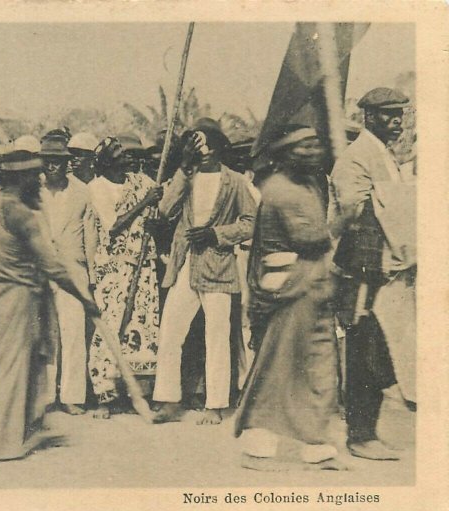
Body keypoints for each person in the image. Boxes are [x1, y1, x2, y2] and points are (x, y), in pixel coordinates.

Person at [0, 149, 98, 462]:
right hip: (17, 298)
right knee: (9, 369)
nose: (40, 181)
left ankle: (24, 430)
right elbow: (52, 265)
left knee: (12, 366)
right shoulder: (21, 215)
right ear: (20, 178)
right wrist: (84, 297)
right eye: (33, 175)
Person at [234, 125, 345, 471]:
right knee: (284, 367)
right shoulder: (279, 189)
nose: (312, 152)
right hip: (291, 288)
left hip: (313, 287)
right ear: (283, 155)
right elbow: (309, 238)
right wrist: (345, 221)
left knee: (319, 366)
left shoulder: (310, 184)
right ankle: (260, 437)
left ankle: (315, 439)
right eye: (303, 148)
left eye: (315, 146)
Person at [152, 120, 256, 426]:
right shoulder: (188, 176)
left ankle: (215, 405)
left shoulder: (235, 181)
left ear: (220, 146)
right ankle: (169, 400)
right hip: (186, 264)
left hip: (219, 265)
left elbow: (250, 222)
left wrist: (217, 234)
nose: (205, 150)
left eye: (210, 143)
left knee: (217, 335)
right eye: (198, 145)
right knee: (171, 331)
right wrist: (183, 169)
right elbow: (165, 210)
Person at [330, 87, 415, 461]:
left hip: (388, 266)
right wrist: (369, 267)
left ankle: (368, 429)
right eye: (387, 114)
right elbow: (353, 217)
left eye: (400, 113)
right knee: (363, 346)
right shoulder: (356, 158)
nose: (397, 120)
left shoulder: (385, 156)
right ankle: (361, 434)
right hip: (364, 265)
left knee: (378, 345)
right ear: (367, 117)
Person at [86, 137, 163, 419]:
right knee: (109, 325)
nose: (129, 158)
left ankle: (138, 392)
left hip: (142, 265)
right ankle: (104, 395)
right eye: (121, 154)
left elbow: (159, 214)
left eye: (131, 154)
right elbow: (113, 226)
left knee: (141, 325)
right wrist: (145, 203)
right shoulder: (97, 188)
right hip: (113, 268)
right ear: (106, 159)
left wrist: (154, 217)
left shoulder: (142, 181)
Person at [39, 134, 98, 415]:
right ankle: (45, 395)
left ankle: (72, 396)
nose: (52, 167)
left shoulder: (82, 192)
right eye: (47, 161)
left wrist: (92, 273)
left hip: (74, 270)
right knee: (45, 334)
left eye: (58, 162)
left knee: (73, 331)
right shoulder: (32, 191)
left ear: (67, 163)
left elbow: (90, 235)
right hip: (40, 270)